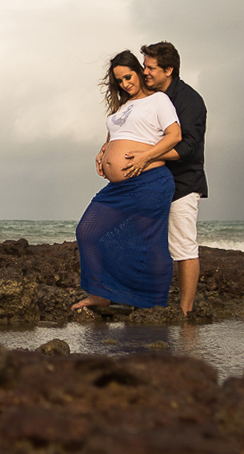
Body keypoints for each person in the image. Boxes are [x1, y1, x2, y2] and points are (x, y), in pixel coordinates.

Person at [72, 50, 181, 312]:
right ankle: (100, 294)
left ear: (139, 72)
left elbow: (174, 135)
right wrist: (104, 151)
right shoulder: (123, 106)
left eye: (128, 76)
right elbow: (120, 134)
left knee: (149, 243)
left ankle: (153, 303)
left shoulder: (158, 101)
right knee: (87, 232)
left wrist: (145, 157)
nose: (125, 84)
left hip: (148, 182)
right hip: (119, 187)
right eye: (119, 80)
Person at [122, 42, 208, 317]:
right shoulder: (150, 97)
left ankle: (184, 310)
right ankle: (143, 299)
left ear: (168, 70)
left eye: (150, 67)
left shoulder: (189, 101)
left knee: (183, 245)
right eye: (144, 66)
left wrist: (147, 156)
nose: (144, 71)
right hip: (150, 183)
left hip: (183, 183)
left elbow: (188, 147)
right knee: (144, 242)